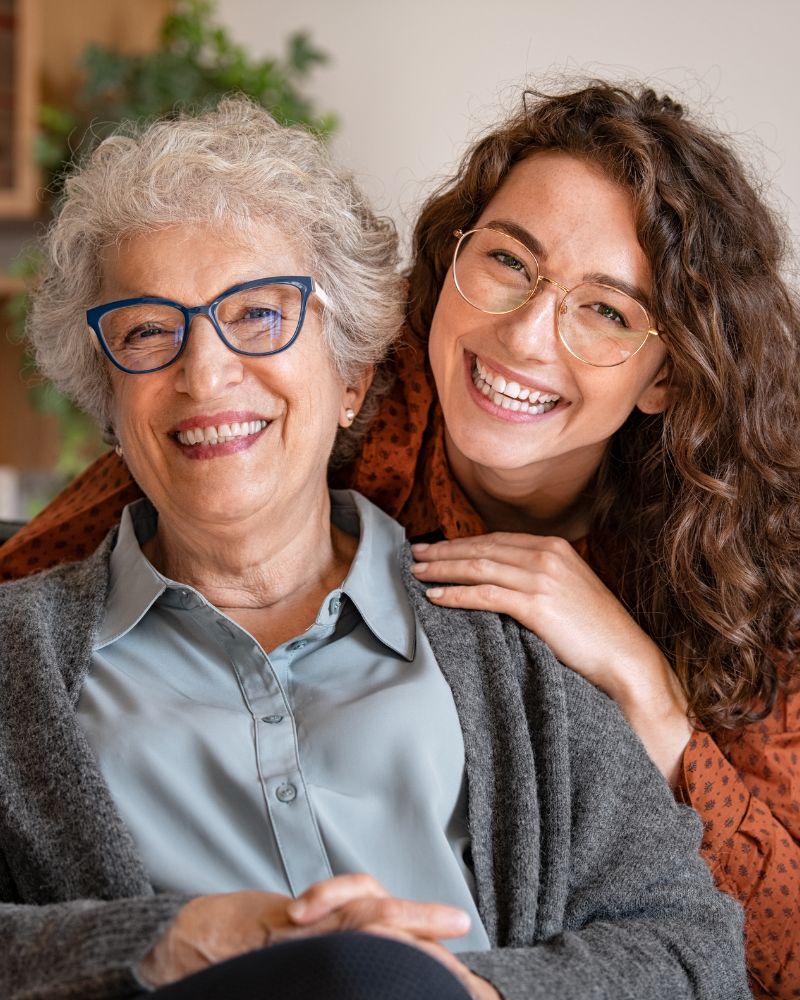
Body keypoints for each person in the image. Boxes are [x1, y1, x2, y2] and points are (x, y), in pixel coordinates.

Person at [0, 98, 750, 1000]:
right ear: (109, 404)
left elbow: (695, 949)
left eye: (261, 314)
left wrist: (476, 994)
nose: (205, 374)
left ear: (353, 376)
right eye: (148, 333)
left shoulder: (514, 652)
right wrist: (162, 942)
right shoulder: (18, 662)